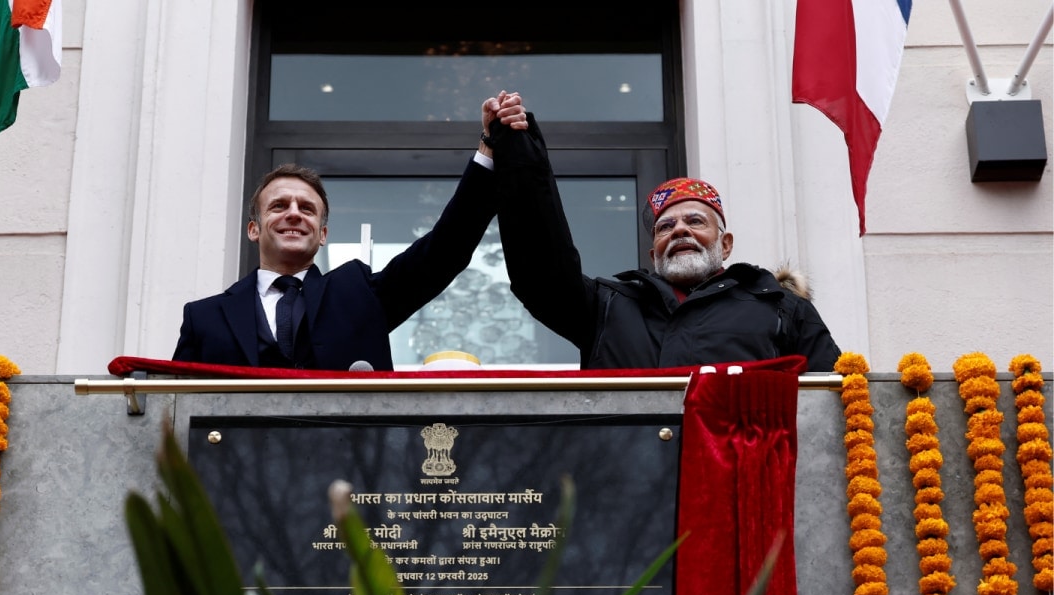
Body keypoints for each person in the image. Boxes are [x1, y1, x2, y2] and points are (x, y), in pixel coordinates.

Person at [172, 92, 529, 370]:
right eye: (279, 206)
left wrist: (489, 151)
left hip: (349, 460)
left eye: (307, 209)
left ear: (323, 235)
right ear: (254, 229)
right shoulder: (204, 317)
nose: (294, 214)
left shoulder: (358, 294)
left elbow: (443, 252)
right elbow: (170, 414)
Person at [487, 111, 841, 372]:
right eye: (665, 227)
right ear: (653, 252)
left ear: (726, 244)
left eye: (695, 221)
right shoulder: (607, 307)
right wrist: (518, 152)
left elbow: (830, 402)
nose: (679, 231)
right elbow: (541, 271)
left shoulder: (781, 307)